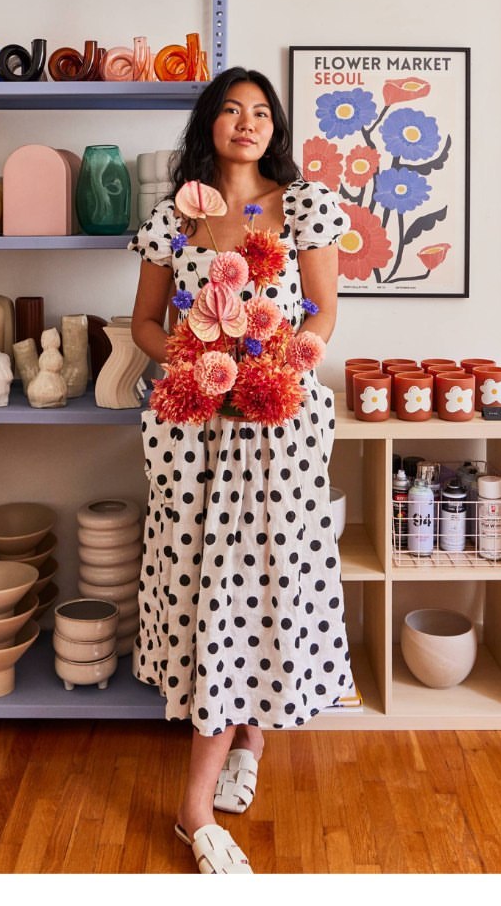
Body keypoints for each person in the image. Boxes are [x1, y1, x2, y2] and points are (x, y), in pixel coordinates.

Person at [128, 66, 354, 875]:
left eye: (261, 112)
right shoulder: (174, 217)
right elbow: (144, 325)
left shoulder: (304, 207)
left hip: (275, 428)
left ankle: (223, 771)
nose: (247, 123)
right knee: (202, 586)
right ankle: (227, 760)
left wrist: (294, 353)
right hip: (193, 433)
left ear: (275, 129)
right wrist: (194, 360)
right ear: (210, 124)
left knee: (258, 582)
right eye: (231, 110)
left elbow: (323, 310)